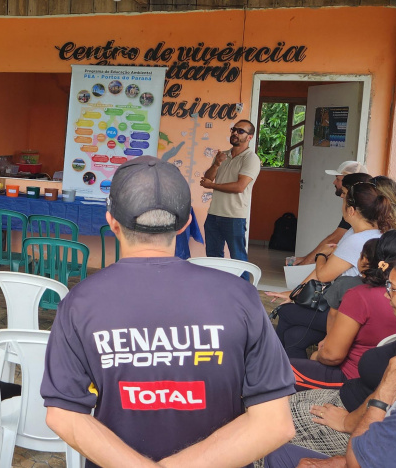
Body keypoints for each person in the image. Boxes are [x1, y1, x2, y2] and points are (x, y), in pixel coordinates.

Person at [41, 156, 295, 468]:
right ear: (186, 223)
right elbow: (274, 423)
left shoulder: (80, 302)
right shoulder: (240, 296)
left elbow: (64, 414)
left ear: (112, 221)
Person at [265, 274, 396, 468]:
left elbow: (359, 460)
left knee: (267, 436)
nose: (387, 296)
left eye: (392, 289)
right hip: (355, 418)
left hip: (359, 440)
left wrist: (384, 392)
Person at [267, 178, 393, 359]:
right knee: (294, 336)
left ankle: (273, 361)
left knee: (286, 311)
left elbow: (324, 275)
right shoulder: (374, 233)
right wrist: (295, 292)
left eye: (344, 201)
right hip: (350, 305)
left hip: (345, 311)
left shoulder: (356, 240)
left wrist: (321, 255)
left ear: (351, 210)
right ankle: (293, 369)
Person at [288, 230, 396, 390]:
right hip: (395, 380)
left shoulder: (360, 295)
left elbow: (332, 356)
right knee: (295, 335)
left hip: (351, 378)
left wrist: (318, 355)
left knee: (276, 371)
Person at [200, 119, 261, 267]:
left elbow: (240, 187)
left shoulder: (251, 159)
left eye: (240, 131)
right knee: (213, 258)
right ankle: (217, 283)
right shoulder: (223, 155)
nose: (235, 133)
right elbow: (207, 178)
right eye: (234, 129)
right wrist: (216, 164)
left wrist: (212, 185)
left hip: (234, 217)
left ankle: (243, 283)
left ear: (249, 137)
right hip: (213, 214)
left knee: (238, 259)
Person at [294, 161, 369, 265]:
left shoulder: (356, 208)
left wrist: (302, 266)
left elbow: (333, 240)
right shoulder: (361, 202)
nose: (334, 182)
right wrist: (305, 259)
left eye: (338, 179)